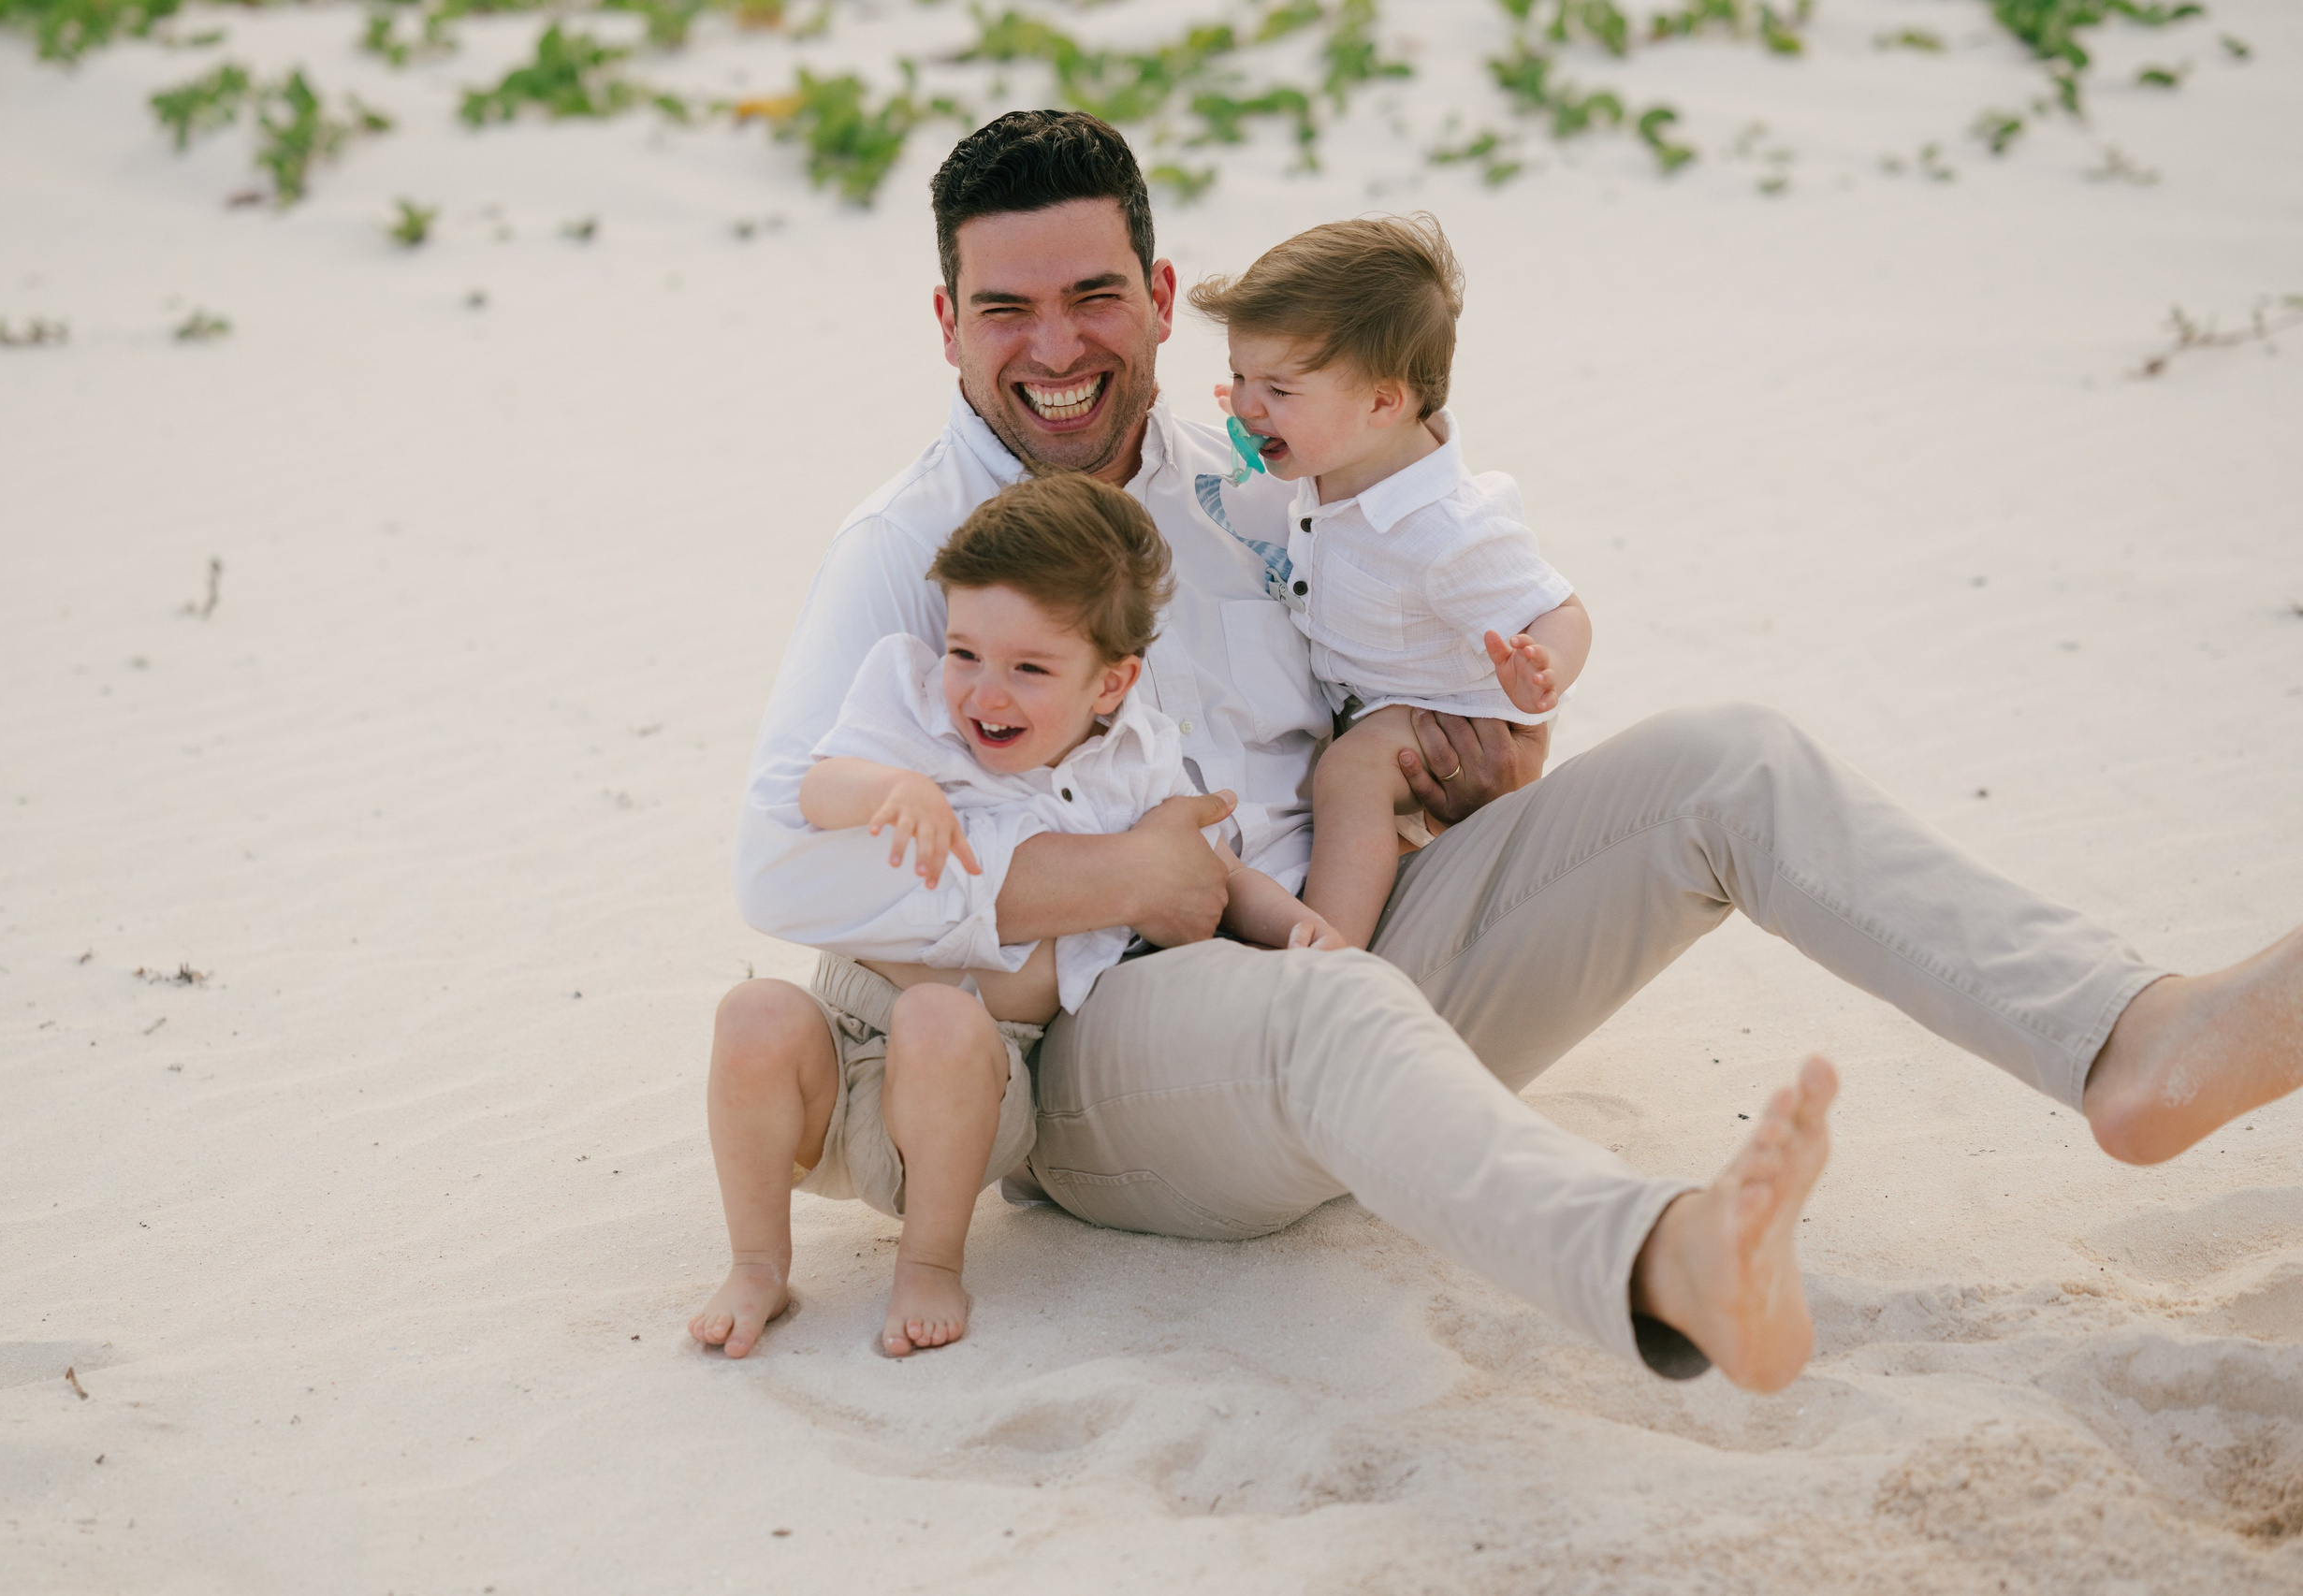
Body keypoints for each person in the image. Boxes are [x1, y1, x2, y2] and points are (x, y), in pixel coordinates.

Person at [722, 108, 2303, 1391]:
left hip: (1349, 914)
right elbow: (779, 854)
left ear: (1158, 291)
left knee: (1726, 762)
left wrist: (1437, 759)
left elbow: (1358, 687)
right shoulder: (908, 544)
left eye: (1092, 297)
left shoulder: (1258, 475)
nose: (1053, 345)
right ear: (946, 322)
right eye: (1005, 305)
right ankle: (1654, 1264)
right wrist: (1105, 874)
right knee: (1330, 1012)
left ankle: (2127, 1043)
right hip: (1115, 1050)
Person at [691, 473, 1342, 1360]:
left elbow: (1209, 867)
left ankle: (930, 1262)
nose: (983, 695)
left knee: (938, 1015)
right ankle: (758, 1262)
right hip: (837, 1054)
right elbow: (813, 788)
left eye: (1029, 669)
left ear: (1113, 682)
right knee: (753, 1012)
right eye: (965, 654)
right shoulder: (909, 701)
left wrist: (1296, 926)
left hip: (978, 1078)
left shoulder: (1139, 763)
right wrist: (894, 787)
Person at [1188, 213, 1592, 948]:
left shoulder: (1443, 528)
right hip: (1376, 695)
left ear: (1382, 402)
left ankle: (1328, 948)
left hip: (1454, 713)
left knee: (1351, 777)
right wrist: (1270, 414)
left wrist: (1545, 668)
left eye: (1278, 387)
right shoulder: (1335, 459)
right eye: (1240, 377)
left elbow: (1560, 608)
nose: (1246, 405)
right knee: (1349, 786)